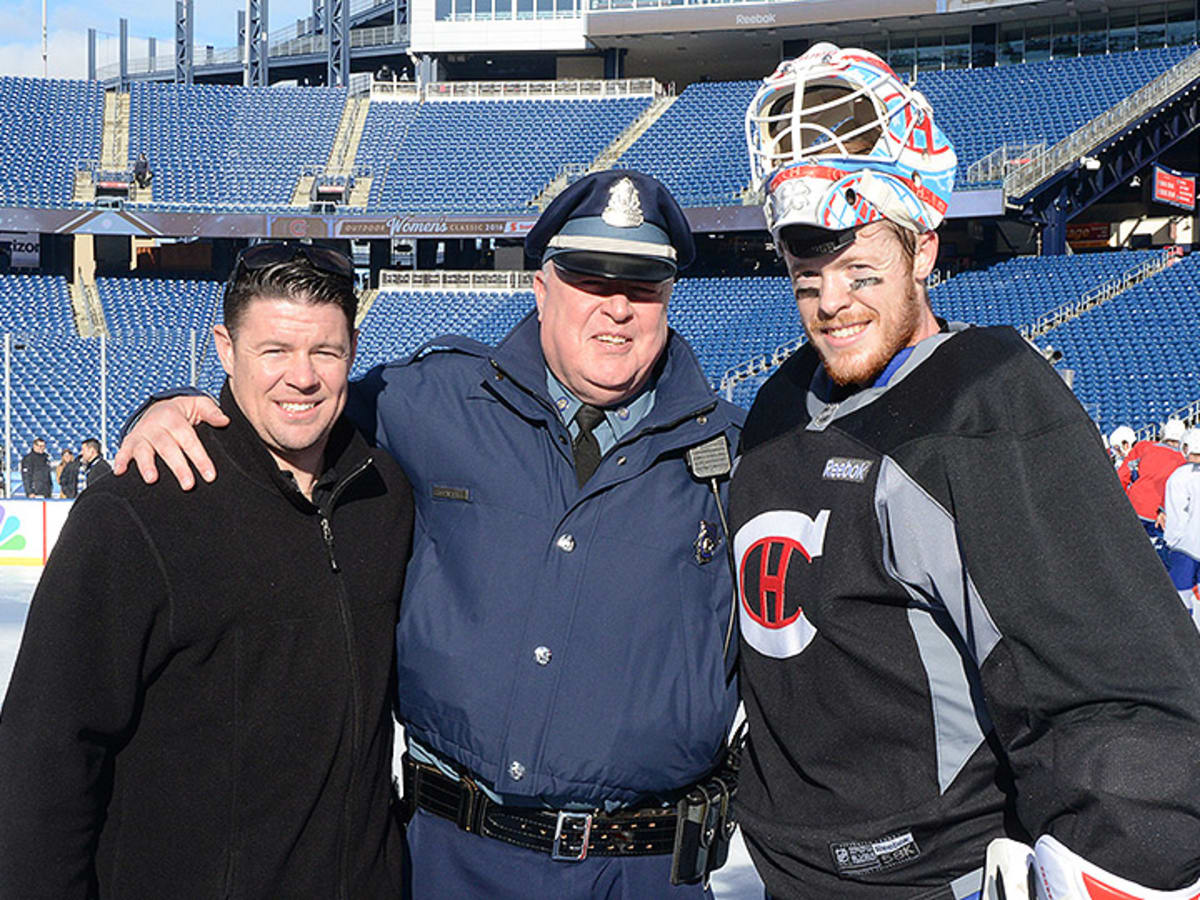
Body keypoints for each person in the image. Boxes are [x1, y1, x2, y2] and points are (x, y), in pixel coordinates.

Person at [112, 172, 742, 898]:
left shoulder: (739, 457)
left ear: (669, 298)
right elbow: (294, 406)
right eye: (592, 282)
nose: (618, 310)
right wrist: (173, 409)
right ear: (542, 289)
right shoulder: (431, 401)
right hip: (452, 862)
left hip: (642, 872)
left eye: (643, 288)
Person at [732, 42, 1200, 899]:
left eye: (859, 269)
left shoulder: (984, 406)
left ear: (923, 252)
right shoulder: (773, 409)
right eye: (807, 278)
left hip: (932, 876)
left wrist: (1129, 847)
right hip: (779, 873)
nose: (832, 302)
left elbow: (1114, 688)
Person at [0, 244, 414, 897]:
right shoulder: (138, 509)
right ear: (224, 349)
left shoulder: (384, 495)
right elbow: (44, 757)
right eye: (273, 351)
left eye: (325, 353)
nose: (301, 377)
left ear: (353, 351)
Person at [1117, 418, 1185, 544]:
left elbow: (1121, 476)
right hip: (1159, 516)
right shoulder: (1183, 462)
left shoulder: (1144, 447)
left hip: (1133, 506)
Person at [1164, 427, 1200, 631]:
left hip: (1185, 547)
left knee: (1181, 600)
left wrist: (1172, 541)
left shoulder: (1179, 476)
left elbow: (1177, 515)